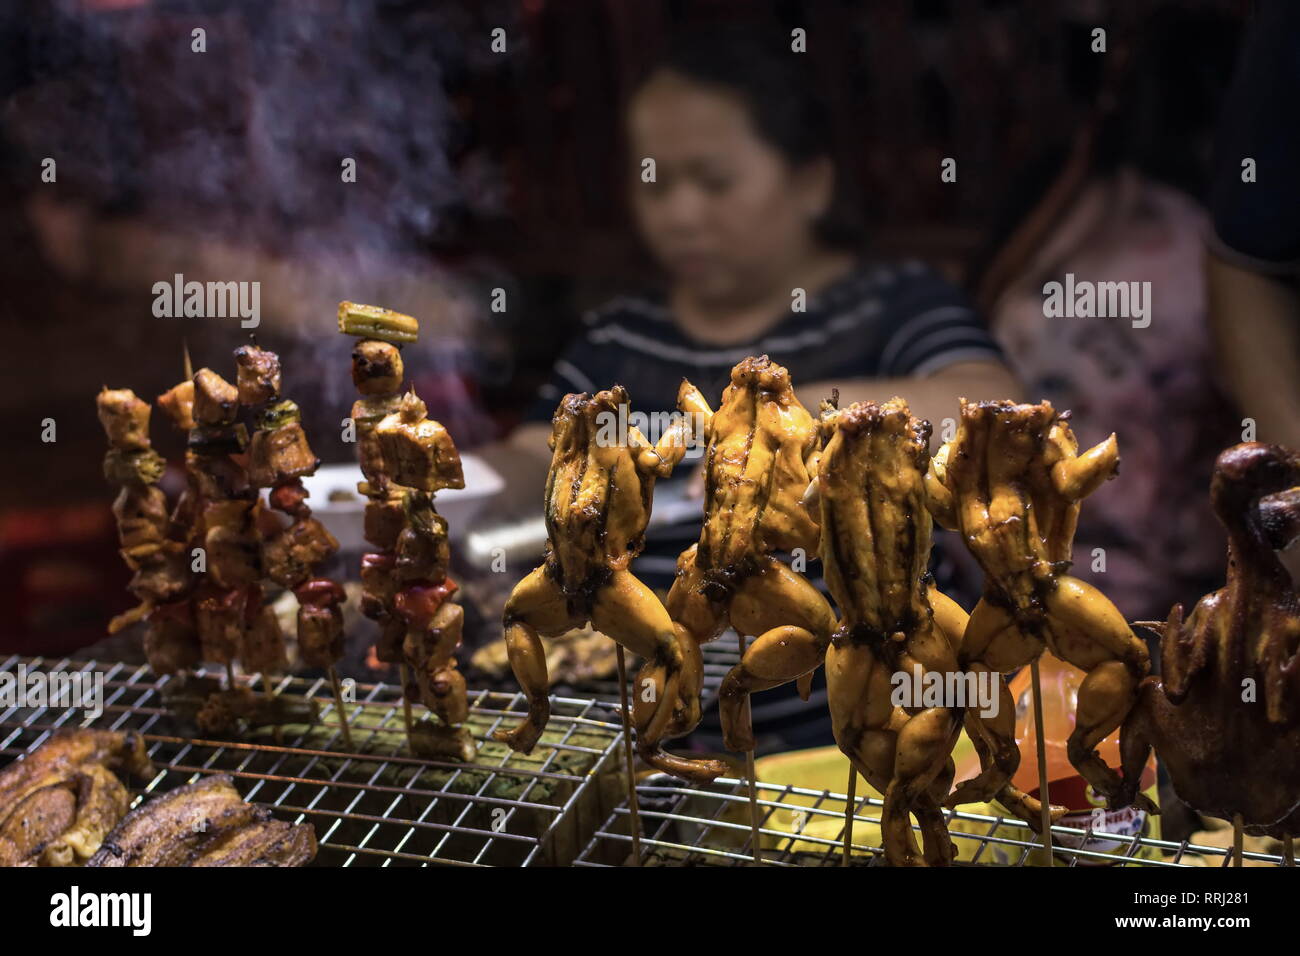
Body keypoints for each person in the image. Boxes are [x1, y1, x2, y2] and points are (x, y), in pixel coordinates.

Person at [481, 27, 1019, 753]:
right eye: (656, 182)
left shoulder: (895, 305)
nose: (680, 213)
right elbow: (526, 458)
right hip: (643, 723)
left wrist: (769, 423)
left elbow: (984, 404)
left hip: (859, 726)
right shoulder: (618, 337)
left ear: (810, 182)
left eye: (714, 180)